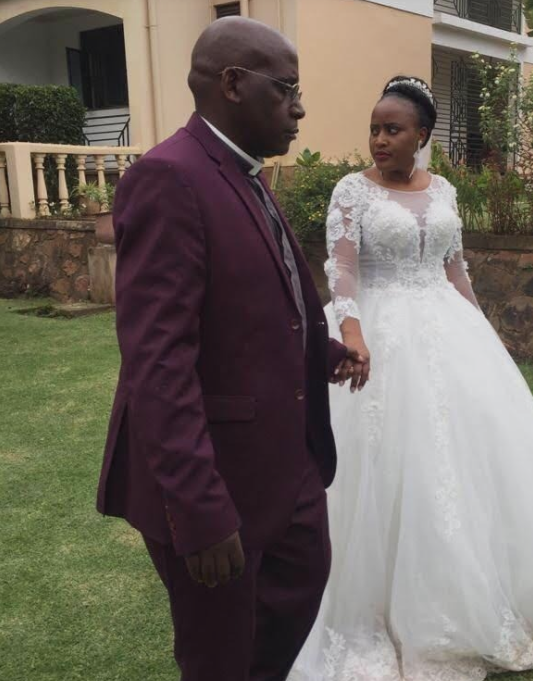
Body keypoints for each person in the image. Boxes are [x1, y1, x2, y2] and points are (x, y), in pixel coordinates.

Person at [290, 76, 533, 681]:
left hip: (450, 333)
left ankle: (487, 585)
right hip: (380, 332)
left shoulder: (443, 188)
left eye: (392, 129)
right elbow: (339, 269)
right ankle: (375, 605)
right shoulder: (350, 191)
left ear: (422, 134)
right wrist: (352, 333)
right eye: (374, 128)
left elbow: (455, 268)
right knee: (384, 467)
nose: (379, 140)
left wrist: (484, 329)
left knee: (472, 459)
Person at [96, 17, 366, 681]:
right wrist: (199, 508)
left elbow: (253, 300)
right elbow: (157, 361)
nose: (299, 108)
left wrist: (319, 349)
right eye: (287, 90)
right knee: (221, 658)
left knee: (288, 612)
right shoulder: (168, 178)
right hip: (216, 482)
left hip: (286, 464)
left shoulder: (245, 173)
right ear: (233, 84)